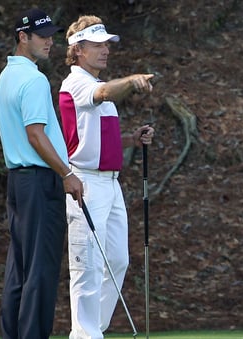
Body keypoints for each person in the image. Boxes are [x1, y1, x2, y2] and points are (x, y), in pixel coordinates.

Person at [59, 14, 155, 339]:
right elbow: (103, 93)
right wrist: (131, 82)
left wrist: (131, 139)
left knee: (117, 260)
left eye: (107, 44)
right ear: (79, 49)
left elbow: (94, 138)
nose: (106, 50)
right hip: (84, 184)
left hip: (109, 185)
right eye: (98, 45)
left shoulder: (98, 89)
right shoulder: (78, 84)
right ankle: (85, 334)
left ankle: (90, 330)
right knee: (87, 264)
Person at [0, 7, 84, 339]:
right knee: (41, 272)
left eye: (51, 35)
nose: (50, 41)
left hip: (18, 185)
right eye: (42, 36)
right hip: (38, 182)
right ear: (23, 37)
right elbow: (36, 135)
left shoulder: (8, 75)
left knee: (18, 270)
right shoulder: (32, 79)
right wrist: (66, 174)